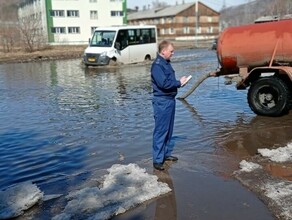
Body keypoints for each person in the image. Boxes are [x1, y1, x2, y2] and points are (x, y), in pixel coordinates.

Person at [151, 40, 188, 171]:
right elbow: (164, 84)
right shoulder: (157, 65)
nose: (173, 53)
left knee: (169, 129)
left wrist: (180, 82)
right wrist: (179, 83)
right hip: (162, 102)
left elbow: (169, 81)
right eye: (171, 51)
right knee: (161, 130)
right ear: (163, 51)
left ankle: (165, 154)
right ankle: (157, 160)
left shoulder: (165, 63)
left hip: (169, 100)